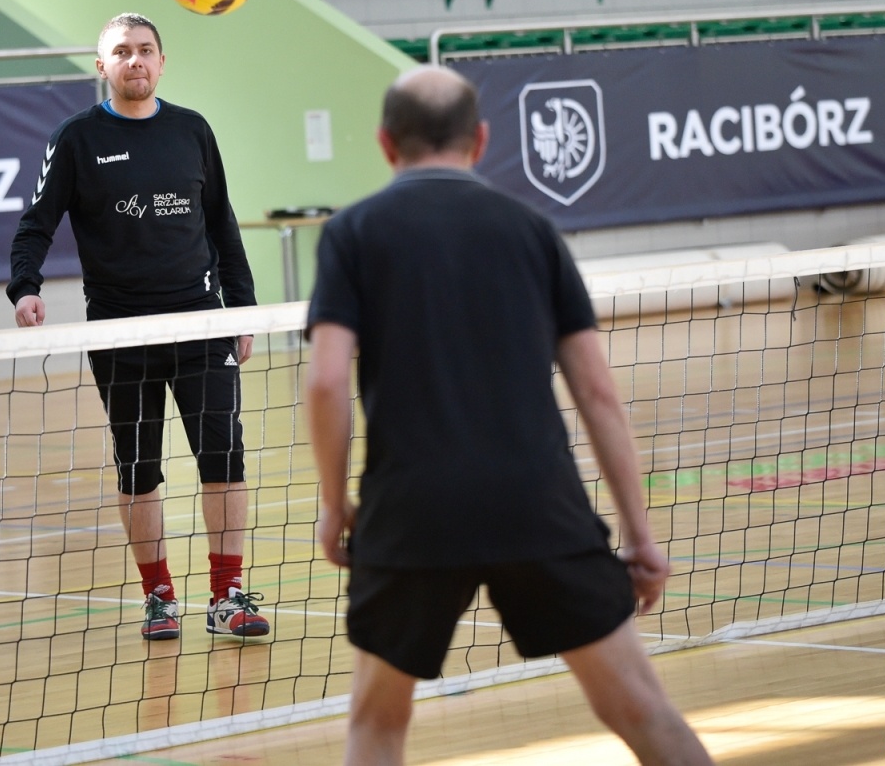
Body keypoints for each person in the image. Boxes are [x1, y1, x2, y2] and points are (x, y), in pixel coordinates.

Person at [303, 67, 712, 766]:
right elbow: (598, 394)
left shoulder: (353, 233)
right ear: (482, 139)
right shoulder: (534, 230)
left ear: (384, 143)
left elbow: (325, 383)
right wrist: (640, 537)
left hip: (411, 512)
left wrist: (333, 504)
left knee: (375, 727)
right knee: (642, 710)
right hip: (536, 504)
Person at [8, 12, 270, 642]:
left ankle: (227, 595)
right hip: (120, 333)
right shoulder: (75, 140)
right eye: (121, 52)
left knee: (224, 458)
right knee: (138, 468)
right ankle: (158, 598)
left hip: (200, 323)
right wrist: (26, 287)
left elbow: (222, 225)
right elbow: (36, 224)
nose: (135, 61)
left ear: (161, 60)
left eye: (145, 50)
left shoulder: (192, 131)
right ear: (103, 67)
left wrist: (244, 307)